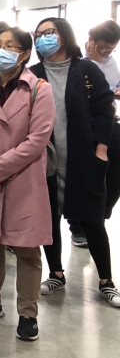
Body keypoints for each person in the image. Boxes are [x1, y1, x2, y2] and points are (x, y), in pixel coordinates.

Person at [0, 27, 55, 340]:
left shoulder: (39, 89)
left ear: (25, 54)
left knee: (27, 251)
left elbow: (38, 140)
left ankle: (28, 313)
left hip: (22, 179)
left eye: (10, 46)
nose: (0, 50)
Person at [29, 18, 119, 307]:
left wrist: (101, 149)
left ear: (65, 36)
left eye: (50, 32)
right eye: (39, 34)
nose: (43, 38)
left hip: (83, 158)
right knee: (49, 218)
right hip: (46, 160)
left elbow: (105, 109)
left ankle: (106, 281)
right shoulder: (33, 74)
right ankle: (56, 273)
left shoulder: (86, 70)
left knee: (92, 219)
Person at [70, 20, 120, 247]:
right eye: (103, 48)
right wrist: (96, 62)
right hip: (83, 125)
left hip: (109, 121)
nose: (107, 53)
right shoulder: (77, 61)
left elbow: (110, 89)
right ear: (90, 40)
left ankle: (99, 217)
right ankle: (78, 227)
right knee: (84, 175)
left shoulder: (111, 61)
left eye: (111, 49)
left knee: (114, 173)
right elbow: (91, 92)